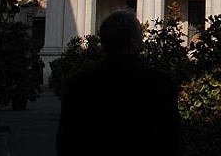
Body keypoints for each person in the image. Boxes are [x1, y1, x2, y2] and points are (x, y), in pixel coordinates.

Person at [56, 9, 181, 156]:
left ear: (103, 42)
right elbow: (171, 140)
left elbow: (66, 142)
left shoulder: (78, 84)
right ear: (134, 41)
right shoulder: (160, 83)